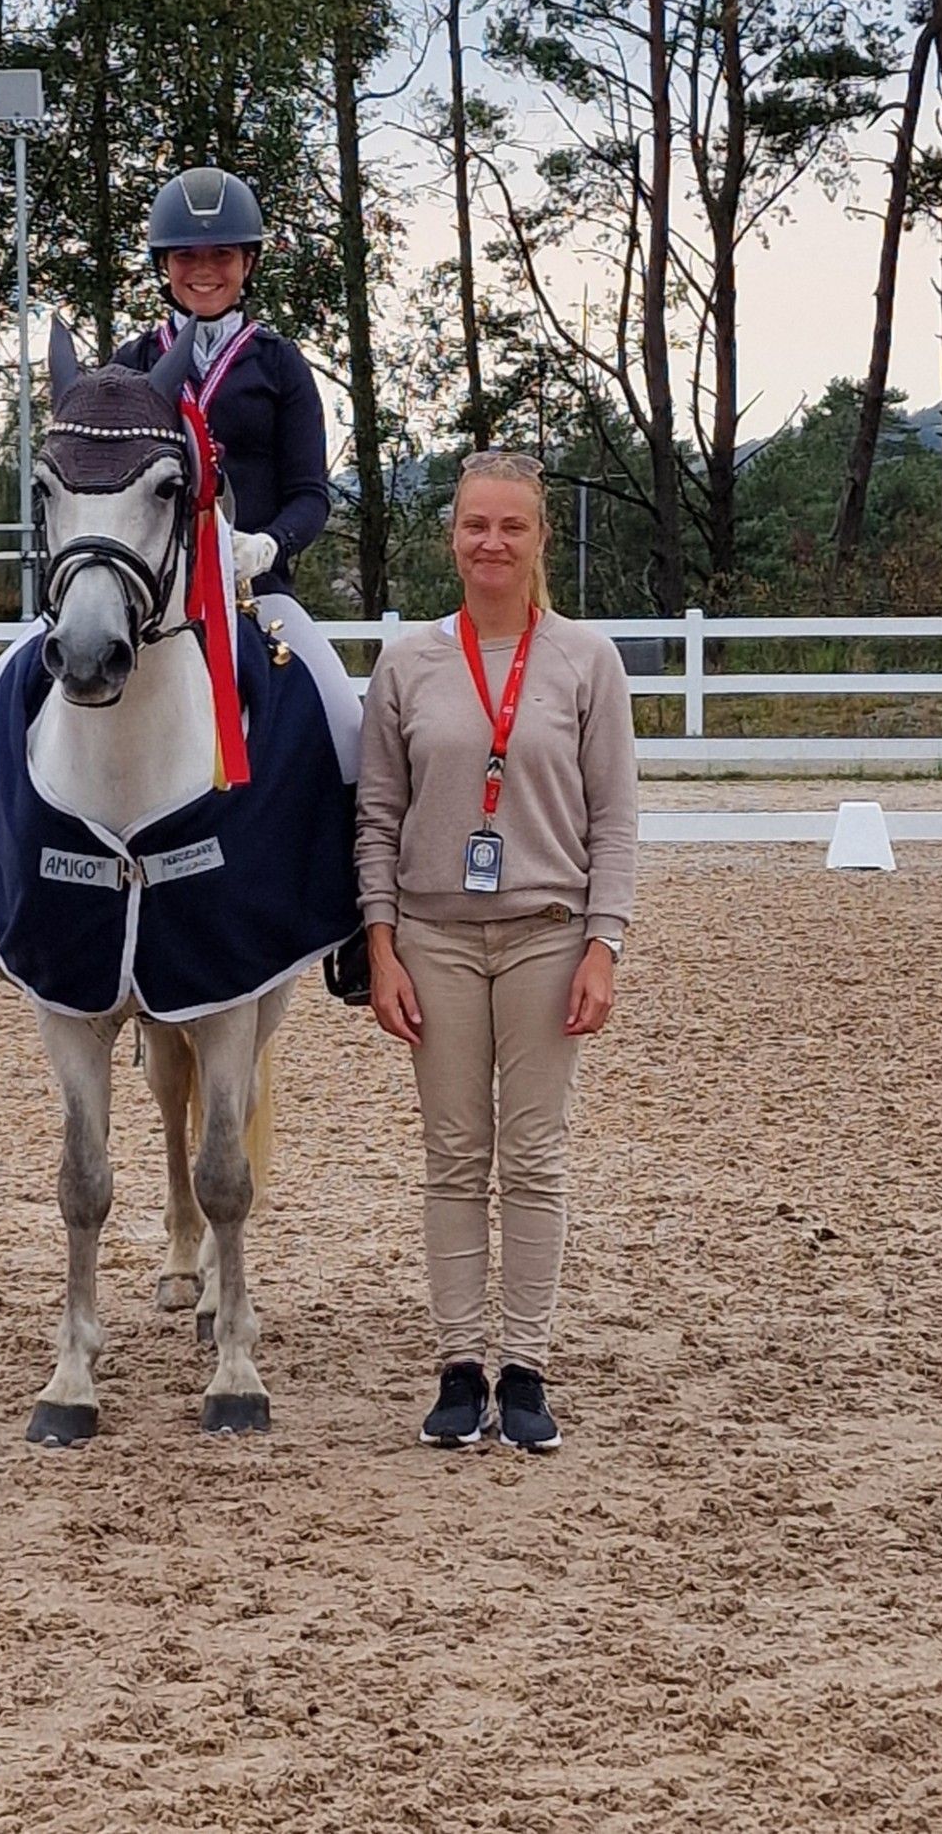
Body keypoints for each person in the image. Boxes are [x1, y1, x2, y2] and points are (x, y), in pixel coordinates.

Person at [0, 164, 363, 973]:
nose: (204, 270)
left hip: (249, 594)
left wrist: (266, 546)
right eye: (187, 256)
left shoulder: (279, 366)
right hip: (135, 595)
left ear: (248, 263)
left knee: (343, 715)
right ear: (164, 266)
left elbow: (311, 493)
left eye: (222, 255)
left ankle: (354, 912)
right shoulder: (130, 361)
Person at [356, 450, 638, 1452]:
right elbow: (377, 815)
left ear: (539, 538)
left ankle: (523, 1366)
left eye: (512, 525)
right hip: (433, 934)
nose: (492, 542)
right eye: (476, 524)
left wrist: (604, 942)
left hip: (546, 935)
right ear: (453, 537)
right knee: (452, 1154)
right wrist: (381, 945)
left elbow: (614, 817)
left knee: (533, 1155)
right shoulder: (407, 664)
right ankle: (457, 1364)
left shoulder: (586, 661)